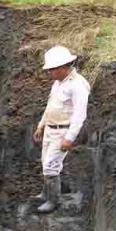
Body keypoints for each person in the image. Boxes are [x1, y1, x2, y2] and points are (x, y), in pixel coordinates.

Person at [32, 46, 90, 214]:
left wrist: (69, 138)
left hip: (62, 131)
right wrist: (41, 125)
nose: (49, 73)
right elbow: (51, 106)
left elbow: (80, 115)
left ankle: (53, 200)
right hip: (50, 129)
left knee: (51, 165)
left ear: (64, 67)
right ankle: (47, 192)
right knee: (45, 162)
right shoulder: (58, 83)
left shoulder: (78, 85)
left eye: (51, 69)